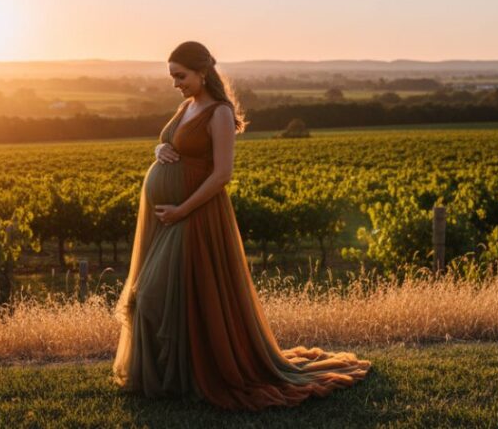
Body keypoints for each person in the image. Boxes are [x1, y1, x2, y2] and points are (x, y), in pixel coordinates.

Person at [112, 40, 371, 411]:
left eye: (180, 76)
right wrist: (159, 149)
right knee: (172, 296)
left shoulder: (219, 112)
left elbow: (222, 175)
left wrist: (182, 210)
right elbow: (172, 143)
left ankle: (193, 376)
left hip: (196, 215)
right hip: (171, 217)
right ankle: (177, 378)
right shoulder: (187, 105)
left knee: (154, 294)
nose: (175, 84)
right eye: (172, 77)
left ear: (202, 72)